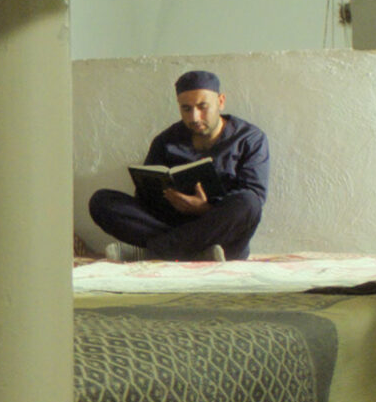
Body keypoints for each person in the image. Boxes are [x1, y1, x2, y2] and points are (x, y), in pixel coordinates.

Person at [88, 69, 269, 261]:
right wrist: (169, 198)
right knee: (101, 201)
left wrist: (205, 208)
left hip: (219, 231)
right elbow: (144, 197)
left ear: (221, 102)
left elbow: (255, 196)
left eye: (202, 107)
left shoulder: (250, 139)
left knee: (249, 204)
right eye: (186, 109)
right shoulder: (166, 140)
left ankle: (158, 250)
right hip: (173, 223)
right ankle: (196, 253)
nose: (194, 117)